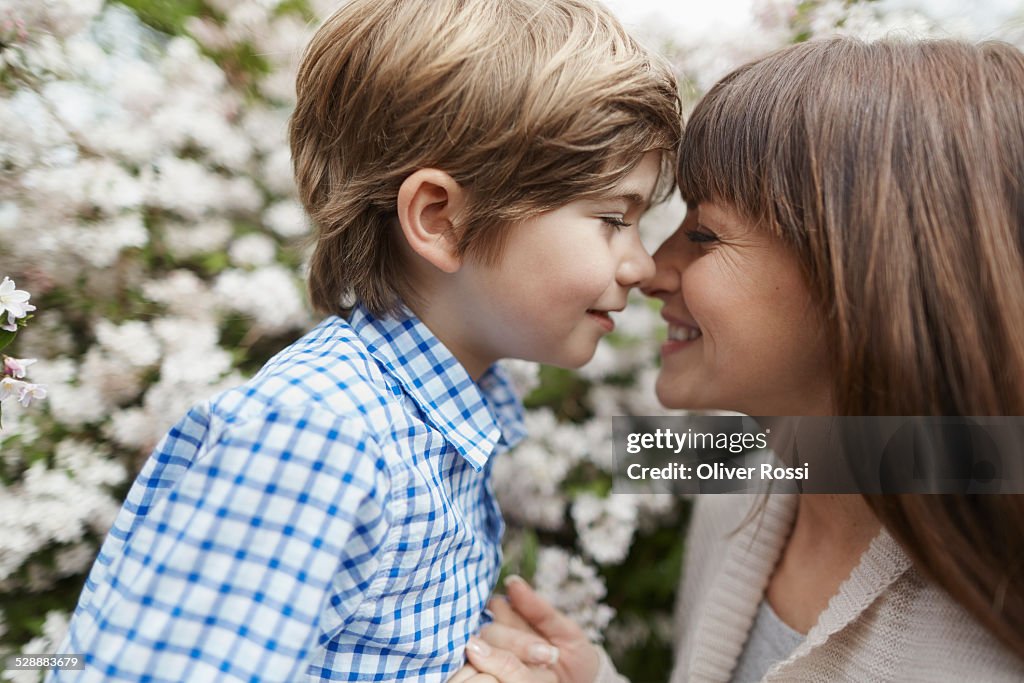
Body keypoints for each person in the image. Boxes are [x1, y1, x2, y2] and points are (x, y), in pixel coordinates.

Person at [51, 0, 681, 680]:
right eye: (613, 218)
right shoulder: (321, 432)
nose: (641, 265)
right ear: (440, 219)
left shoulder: (434, 423)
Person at [456, 37, 1024, 682]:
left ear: (869, 275)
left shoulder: (989, 628)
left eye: (703, 235)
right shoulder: (740, 488)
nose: (648, 269)